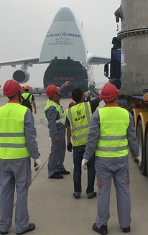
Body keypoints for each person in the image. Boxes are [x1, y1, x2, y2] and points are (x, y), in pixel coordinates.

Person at [83, 83, 140, 234]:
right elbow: (132, 138)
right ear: (116, 96)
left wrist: (86, 157)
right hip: (121, 160)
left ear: (103, 98)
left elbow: (92, 138)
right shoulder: (125, 114)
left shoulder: (98, 114)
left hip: (103, 161)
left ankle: (101, 225)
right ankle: (125, 225)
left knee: (103, 193)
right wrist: (136, 154)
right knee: (124, 192)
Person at [0, 79, 40, 235]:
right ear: (19, 93)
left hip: (4, 158)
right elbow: (30, 137)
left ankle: (4, 225)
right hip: (21, 158)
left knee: (5, 191)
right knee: (22, 191)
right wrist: (36, 156)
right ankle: (21, 225)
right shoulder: (25, 112)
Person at [66, 88, 101, 199]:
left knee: (77, 168)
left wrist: (68, 142)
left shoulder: (69, 111)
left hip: (76, 144)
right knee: (91, 168)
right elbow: (101, 98)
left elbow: (68, 128)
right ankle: (90, 192)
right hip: (89, 143)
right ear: (82, 96)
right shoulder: (88, 105)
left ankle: (77, 192)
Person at [44, 81, 70, 179]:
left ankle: (59, 167)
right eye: (57, 92)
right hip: (57, 131)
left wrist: (64, 86)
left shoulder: (55, 101)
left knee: (61, 150)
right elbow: (51, 124)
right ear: (54, 95)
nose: (60, 93)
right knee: (55, 151)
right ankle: (52, 171)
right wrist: (54, 136)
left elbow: (60, 91)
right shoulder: (51, 107)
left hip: (61, 129)